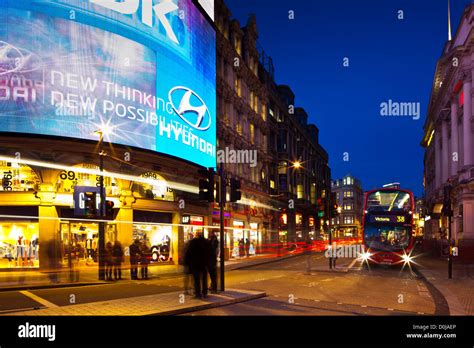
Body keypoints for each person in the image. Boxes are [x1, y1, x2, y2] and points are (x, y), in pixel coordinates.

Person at [186, 231, 211, 299]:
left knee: (197, 279)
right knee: (204, 278)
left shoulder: (193, 242)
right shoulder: (206, 242)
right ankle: (204, 292)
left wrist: (188, 262)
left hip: (196, 263)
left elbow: (189, 253)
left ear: (196, 235)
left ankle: (198, 293)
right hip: (204, 263)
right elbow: (209, 253)